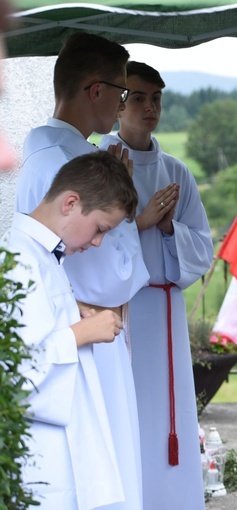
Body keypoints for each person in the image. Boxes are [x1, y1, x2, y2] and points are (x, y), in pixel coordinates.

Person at [14, 32, 148, 510]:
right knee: (100, 473)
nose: (124, 105)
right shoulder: (67, 162)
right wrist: (128, 217)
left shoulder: (49, 154)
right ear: (96, 89)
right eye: (123, 92)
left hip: (76, 333)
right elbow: (115, 277)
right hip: (80, 349)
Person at [99, 61, 212, 509]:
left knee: (169, 417)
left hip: (164, 312)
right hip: (120, 313)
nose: (151, 108)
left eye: (157, 98)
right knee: (128, 412)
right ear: (118, 103)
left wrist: (169, 231)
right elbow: (88, 242)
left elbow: (202, 247)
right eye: (140, 98)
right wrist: (141, 221)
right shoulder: (102, 164)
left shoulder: (176, 171)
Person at [2, 151, 138, 509]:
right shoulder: (16, 259)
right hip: (39, 455)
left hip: (62, 448)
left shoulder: (43, 257)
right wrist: (83, 333)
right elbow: (13, 372)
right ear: (71, 203)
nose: (96, 243)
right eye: (100, 229)